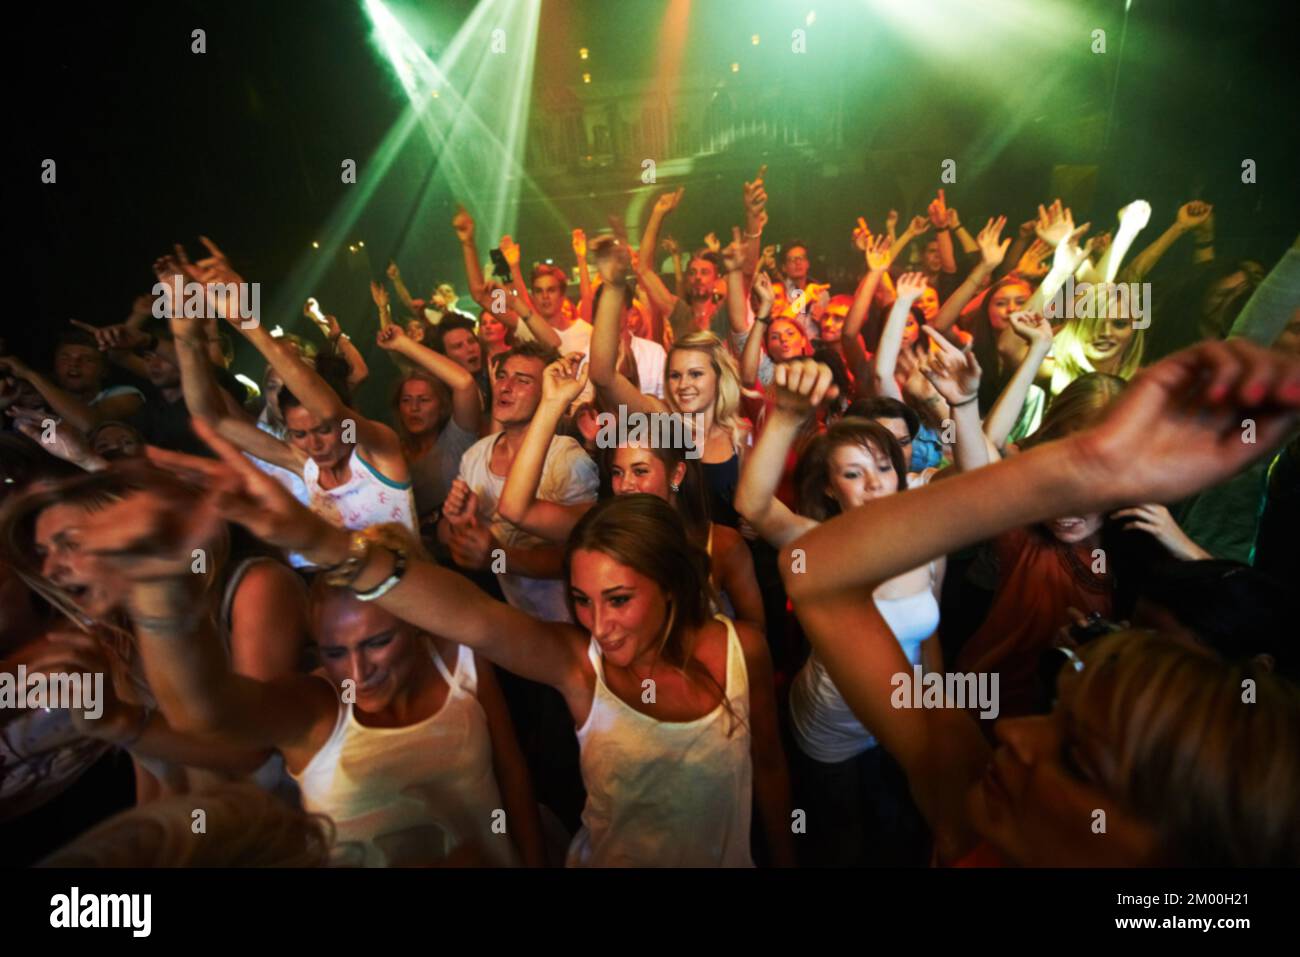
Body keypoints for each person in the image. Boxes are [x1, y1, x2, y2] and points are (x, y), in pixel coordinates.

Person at [106, 430, 798, 868]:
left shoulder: (743, 650)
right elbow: (468, 614)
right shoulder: (576, 664)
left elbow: (767, 765)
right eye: (581, 600)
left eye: (618, 600)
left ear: (672, 585)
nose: (598, 624)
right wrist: (321, 544)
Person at [780, 338, 1300, 866]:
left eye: (1076, 758)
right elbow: (815, 573)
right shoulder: (972, 804)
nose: (1012, 730)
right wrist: (1089, 462)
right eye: (1058, 716)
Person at [495, 354, 764, 632]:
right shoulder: (603, 527)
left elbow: (755, 635)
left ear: (677, 474)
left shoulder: (721, 545)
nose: (625, 485)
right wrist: (552, 404)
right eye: (617, 472)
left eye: (640, 471)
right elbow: (515, 509)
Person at [446, 340, 598, 622]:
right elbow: (458, 541)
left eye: (523, 380)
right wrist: (459, 523)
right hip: (518, 619)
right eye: (502, 376)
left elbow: (577, 556)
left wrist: (498, 557)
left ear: (545, 393)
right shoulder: (476, 455)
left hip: (571, 623)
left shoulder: (566, 458)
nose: (505, 386)